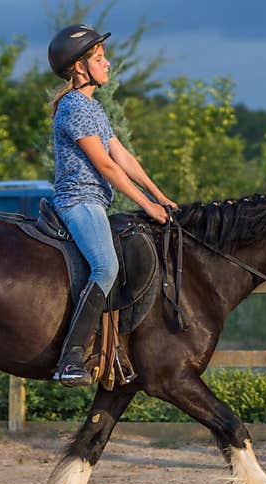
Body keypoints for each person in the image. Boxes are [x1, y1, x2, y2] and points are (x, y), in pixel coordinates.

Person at [47, 24, 178, 386]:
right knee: (105, 268)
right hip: (78, 201)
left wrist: (159, 195)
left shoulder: (93, 108)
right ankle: (70, 358)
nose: (109, 64)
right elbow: (105, 165)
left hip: (95, 202)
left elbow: (124, 158)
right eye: (101, 59)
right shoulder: (73, 107)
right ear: (79, 68)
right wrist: (147, 207)